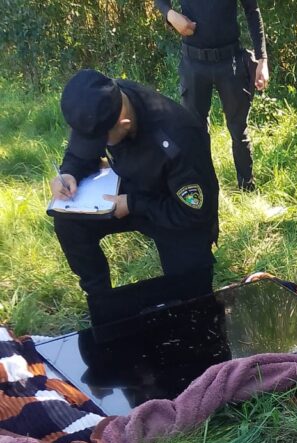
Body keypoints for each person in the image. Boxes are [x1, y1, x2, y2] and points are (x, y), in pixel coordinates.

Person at [50, 69, 219, 300]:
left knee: (191, 297)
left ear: (125, 123)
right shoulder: (102, 101)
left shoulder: (179, 136)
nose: (97, 146)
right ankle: (101, 300)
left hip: (174, 210)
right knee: (68, 221)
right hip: (130, 189)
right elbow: (82, 147)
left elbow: (195, 211)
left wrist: (134, 204)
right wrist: (70, 172)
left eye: (101, 141)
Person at [154, 0, 269, 191]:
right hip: (193, 64)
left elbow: (252, 9)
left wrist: (262, 59)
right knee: (195, 131)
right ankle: (205, 188)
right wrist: (170, 15)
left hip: (230, 61)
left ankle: (247, 187)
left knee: (238, 128)